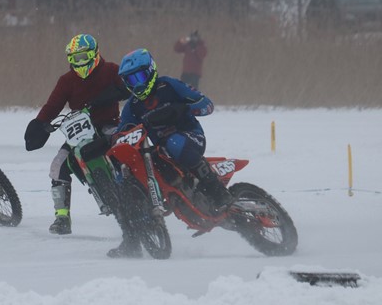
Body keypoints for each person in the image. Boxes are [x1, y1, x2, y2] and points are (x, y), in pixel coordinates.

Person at [116, 48, 232, 249]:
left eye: (141, 76)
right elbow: (123, 133)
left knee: (173, 143)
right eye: (131, 80)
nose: (138, 84)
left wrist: (183, 108)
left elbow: (207, 105)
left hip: (191, 138)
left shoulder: (169, 85)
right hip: (161, 149)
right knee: (134, 169)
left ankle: (218, 192)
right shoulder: (132, 106)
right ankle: (134, 234)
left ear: (151, 71)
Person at [23, 34, 129, 243]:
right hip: (78, 131)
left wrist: (111, 95)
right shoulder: (67, 80)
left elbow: (127, 87)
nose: (79, 63)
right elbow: (52, 106)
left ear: (93, 54)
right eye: (74, 59)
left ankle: (134, 189)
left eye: (82, 57)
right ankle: (62, 217)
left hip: (109, 125)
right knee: (57, 166)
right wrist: (39, 124)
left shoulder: (111, 70)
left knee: (124, 152)